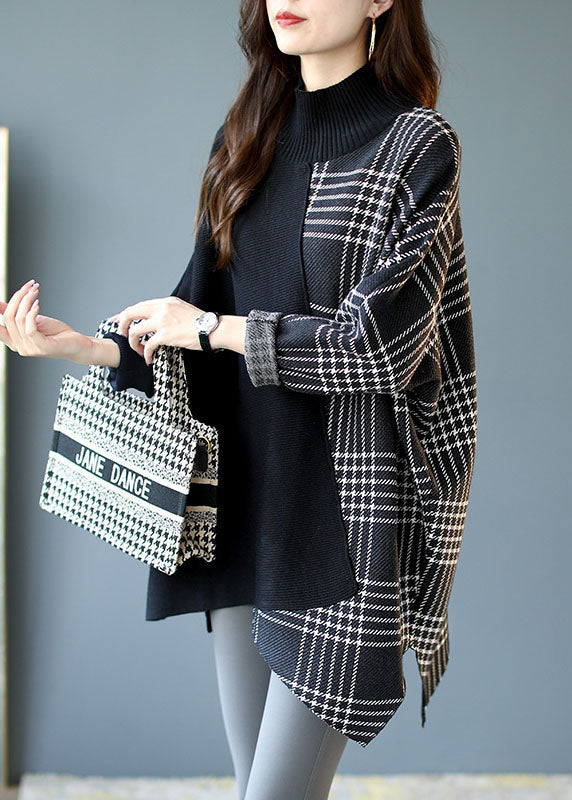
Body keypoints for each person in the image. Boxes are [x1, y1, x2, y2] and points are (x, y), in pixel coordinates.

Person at [1, 1, 478, 798]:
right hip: (243, 515)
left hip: (342, 529)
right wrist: (84, 346)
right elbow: (195, 319)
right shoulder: (246, 139)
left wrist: (216, 329)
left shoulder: (416, 147)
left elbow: (380, 346)